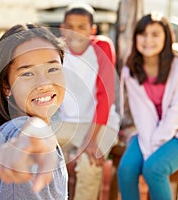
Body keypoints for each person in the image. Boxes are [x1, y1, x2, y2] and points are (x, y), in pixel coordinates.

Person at [0, 24, 68, 200]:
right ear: (6, 86)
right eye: (27, 74)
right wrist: (37, 132)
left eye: (52, 69)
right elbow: (26, 132)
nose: (44, 83)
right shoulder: (10, 134)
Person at [117, 12, 178, 200]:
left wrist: (155, 146)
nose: (148, 40)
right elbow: (142, 115)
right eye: (143, 34)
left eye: (155, 35)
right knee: (126, 170)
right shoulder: (132, 70)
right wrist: (151, 145)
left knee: (154, 169)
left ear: (166, 37)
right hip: (148, 131)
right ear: (136, 37)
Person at [56, 3, 119, 200]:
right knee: (35, 149)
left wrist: (91, 141)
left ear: (92, 30)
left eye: (81, 27)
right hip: (68, 122)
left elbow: (104, 96)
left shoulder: (102, 47)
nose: (75, 32)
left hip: (101, 123)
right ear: (62, 27)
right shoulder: (56, 50)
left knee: (89, 164)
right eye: (70, 26)